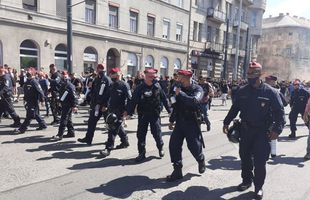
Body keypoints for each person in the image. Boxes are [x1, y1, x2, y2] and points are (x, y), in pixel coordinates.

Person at [223, 62, 285, 200]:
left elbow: (280, 113)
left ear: (260, 74)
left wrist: (277, 129)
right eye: (249, 73)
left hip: (262, 133)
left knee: (260, 162)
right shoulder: (242, 91)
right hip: (245, 131)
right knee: (245, 159)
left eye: (253, 73)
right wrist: (226, 122)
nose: (250, 76)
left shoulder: (270, 92)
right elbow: (234, 109)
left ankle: (258, 187)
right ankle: (246, 181)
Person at [166, 70, 206, 182]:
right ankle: (177, 170)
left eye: (180, 77)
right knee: (174, 145)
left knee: (193, 146)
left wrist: (181, 94)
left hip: (192, 123)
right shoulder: (177, 88)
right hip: (179, 122)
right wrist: (171, 120)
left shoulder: (198, 89)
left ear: (186, 78)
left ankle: (200, 159)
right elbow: (175, 105)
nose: (177, 79)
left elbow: (194, 101)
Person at [127, 68, 171, 162]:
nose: (153, 78)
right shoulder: (140, 88)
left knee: (157, 133)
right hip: (143, 115)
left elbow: (164, 99)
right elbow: (133, 101)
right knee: (141, 134)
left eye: (154, 77)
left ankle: (160, 148)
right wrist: (129, 112)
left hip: (154, 114)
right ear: (146, 77)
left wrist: (170, 111)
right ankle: (141, 153)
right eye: (151, 77)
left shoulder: (157, 86)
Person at [100, 68, 131, 157]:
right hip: (111, 109)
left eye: (113, 74)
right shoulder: (112, 85)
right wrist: (105, 105)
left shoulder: (124, 85)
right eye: (110, 74)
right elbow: (108, 96)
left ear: (118, 74)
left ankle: (108, 148)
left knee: (112, 129)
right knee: (118, 127)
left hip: (120, 111)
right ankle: (125, 142)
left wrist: (127, 111)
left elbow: (130, 99)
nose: (111, 76)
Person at [78, 64, 111, 145]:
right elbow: (93, 92)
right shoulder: (96, 79)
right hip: (96, 105)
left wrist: (105, 105)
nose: (99, 70)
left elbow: (109, 94)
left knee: (111, 123)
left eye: (100, 69)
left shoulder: (106, 80)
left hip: (104, 106)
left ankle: (122, 140)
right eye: (99, 69)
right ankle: (88, 139)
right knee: (91, 122)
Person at [15, 68, 47, 134]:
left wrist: (42, 100)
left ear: (32, 74)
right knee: (36, 114)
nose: (27, 74)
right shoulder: (27, 82)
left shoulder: (34, 81)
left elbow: (40, 91)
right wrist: (24, 99)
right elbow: (26, 92)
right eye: (27, 73)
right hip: (29, 101)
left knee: (29, 115)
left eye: (29, 73)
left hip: (34, 101)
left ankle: (22, 129)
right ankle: (43, 125)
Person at [52, 71, 78, 140]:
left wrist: (74, 106)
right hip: (64, 104)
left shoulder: (69, 85)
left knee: (63, 119)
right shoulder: (63, 85)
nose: (63, 77)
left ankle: (60, 135)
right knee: (68, 119)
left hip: (68, 105)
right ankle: (71, 132)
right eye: (62, 76)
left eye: (64, 76)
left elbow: (74, 96)